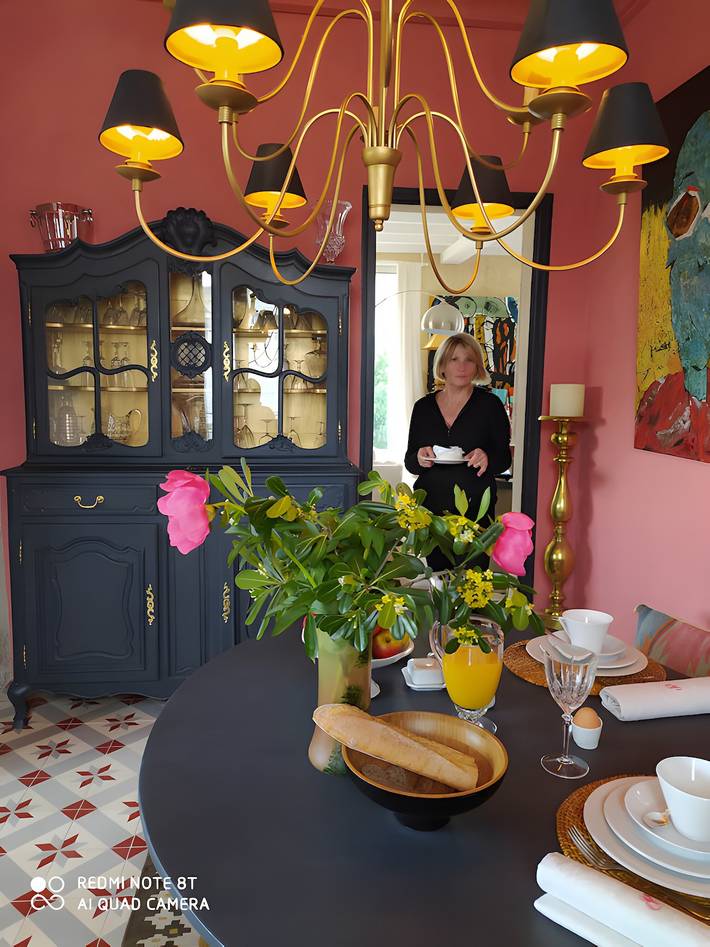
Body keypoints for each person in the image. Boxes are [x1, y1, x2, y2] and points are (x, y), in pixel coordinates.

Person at [404, 332, 512, 572]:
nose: (462, 366)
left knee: (473, 580)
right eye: (454, 359)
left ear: (477, 366)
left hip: (475, 509)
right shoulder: (423, 408)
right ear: (442, 365)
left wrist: (487, 457)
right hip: (432, 511)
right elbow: (410, 462)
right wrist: (420, 457)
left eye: (469, 359)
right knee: (438, 579)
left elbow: (504, 459)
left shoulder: (490, 405)